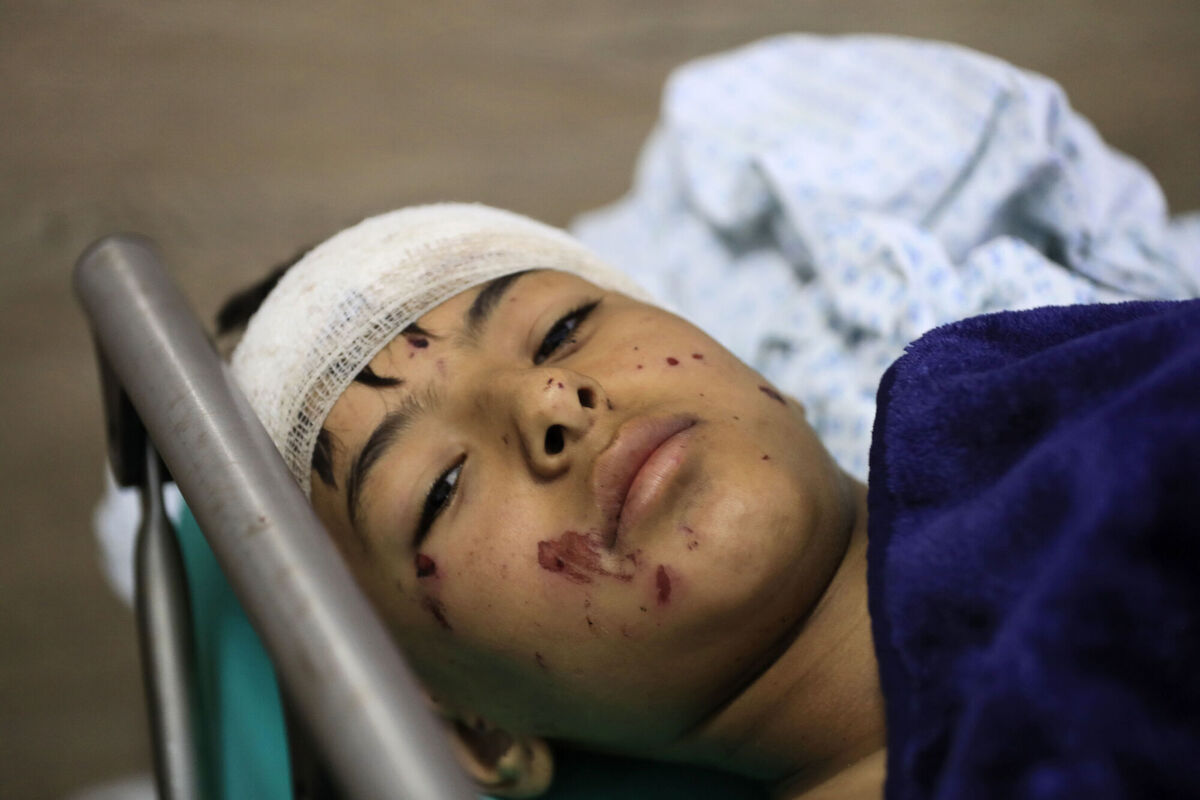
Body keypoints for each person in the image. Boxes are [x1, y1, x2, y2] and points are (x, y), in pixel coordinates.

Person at [225, 203, 1200, 800]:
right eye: (439, 485)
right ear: (471, 728)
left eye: (562, 328)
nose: (550, 401)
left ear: (756, 374)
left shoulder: (1009, 392)